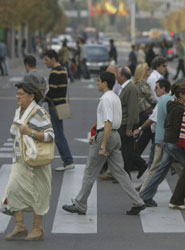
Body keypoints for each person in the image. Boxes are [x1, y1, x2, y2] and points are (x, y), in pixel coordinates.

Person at [62, 71, 146, 215]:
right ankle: (138, 201)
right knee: (120, 172)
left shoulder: (106, 99)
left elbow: (108, 122)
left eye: (99, 80)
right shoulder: (115, 97)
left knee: (90, 171)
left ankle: (80, 204)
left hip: (106, 136)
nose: (97, 83)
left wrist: (102, 145)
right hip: (115, 136)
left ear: (105, 83)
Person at [1, 82, 54, 240]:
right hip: (19, 159)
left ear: (31, 97)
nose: (18, 97)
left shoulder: (39, 112)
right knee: (12, 190)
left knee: (39, 193)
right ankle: (20, 225)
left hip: (36, 160)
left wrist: (30, 132)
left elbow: (50, 135)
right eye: (17, 94)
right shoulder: (19, 112)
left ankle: (37, 229)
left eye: (21, 94)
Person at [139, 80, 185, 207]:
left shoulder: (169, 103)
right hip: (173, 144)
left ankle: (144, 196)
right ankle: (176, 200)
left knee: (160, 171)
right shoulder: (180, 108)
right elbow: (178, 129)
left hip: (167, 141)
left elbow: (165, 123)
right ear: (181, 95)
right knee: (161, 170)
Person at [44, 49, 74, 171]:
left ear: (53, 59)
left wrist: (42, 99)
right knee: (59, 133)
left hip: (55, 106)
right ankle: (68, 160)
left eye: (46, 60)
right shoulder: (63, 69)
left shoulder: (55, 71)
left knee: (58, 134)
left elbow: (52, 90)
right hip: (60, 105)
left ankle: (68, 160)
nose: (45, 62)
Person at [116, 66, 139, 176]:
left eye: (118, 74)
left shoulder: (130, 88)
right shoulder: (125, 87)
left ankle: (125, 174)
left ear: (123, 76)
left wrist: (129, 128)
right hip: (124, 123)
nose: (116, 76)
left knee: (126, 150)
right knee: (124, 149)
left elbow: (132, 109)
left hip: (127, 124)